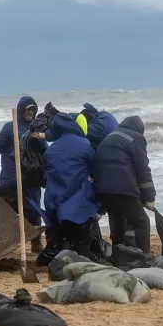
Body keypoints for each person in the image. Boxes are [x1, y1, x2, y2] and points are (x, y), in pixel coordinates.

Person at [0, 96, 45, 253]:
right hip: (11, 178)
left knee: (33, 211)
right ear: (21, 110)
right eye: (28, 109)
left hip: (31, 179)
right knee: (7, 212)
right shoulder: (10, 128)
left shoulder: (37, 129)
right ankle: (4, 243)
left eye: (33, 109)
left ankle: (36, 242)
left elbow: (43, 152)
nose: (30, 112)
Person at [41, 111, 101, 259]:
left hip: (54, 200)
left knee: (64, 235)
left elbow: (46, 174)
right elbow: (95, 169)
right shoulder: (84, 145)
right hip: (78, 199)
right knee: (82, 230)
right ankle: (82, 253)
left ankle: (63, 251)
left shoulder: (51, 149)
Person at [92, 115, 155, 254]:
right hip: (123, 189)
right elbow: (142, 169)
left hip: (102, 189)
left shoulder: (109, 137)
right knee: (141, 222)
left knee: (117, 224)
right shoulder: (137, 138)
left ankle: (118, 255)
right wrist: (150, 197)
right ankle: (144, 257)